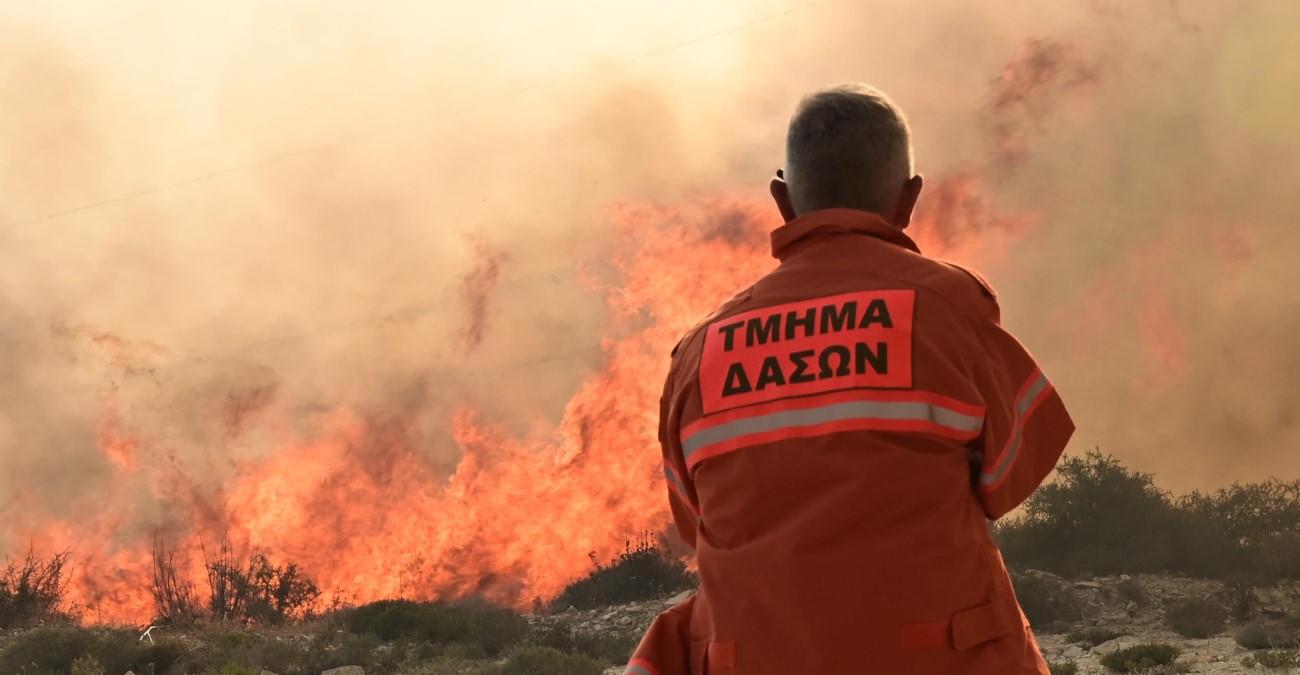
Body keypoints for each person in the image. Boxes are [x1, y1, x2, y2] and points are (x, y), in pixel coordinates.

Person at [623, 84, 1076, 675]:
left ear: (783, 201)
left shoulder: (698, 353)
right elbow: (1008, 479)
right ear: (908, 200)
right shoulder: (947, 308)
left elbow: (697, 524)